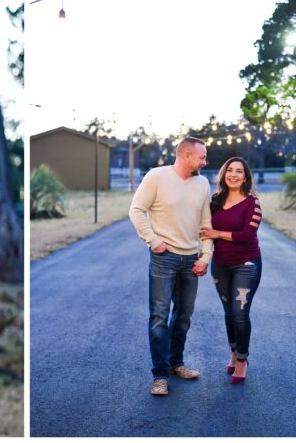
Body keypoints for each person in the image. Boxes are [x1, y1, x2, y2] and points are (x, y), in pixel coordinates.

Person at [129, 137, 214, 396]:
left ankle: (177, 363)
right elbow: (136, 210)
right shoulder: (156, 176)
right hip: (164, 258)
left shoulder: (202, 183)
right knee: (159, 318)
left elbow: (205, 223)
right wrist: (153, 241)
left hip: (191, 260)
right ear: (186, 155)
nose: (205, 161)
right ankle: (160, 376)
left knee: (183, 317)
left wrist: (205, 256)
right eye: (202, 157)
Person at [199, 157, 262, 384]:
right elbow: (202, 226)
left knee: (240, 313)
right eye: (230, 170)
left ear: (245, 177)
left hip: (246, 264)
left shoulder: (252, 203)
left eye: (239, 171)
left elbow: (247, 236)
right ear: (224, 174)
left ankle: (243, 360)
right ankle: (234, 352)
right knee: (228, 312)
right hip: (221, 265)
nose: (233, 175)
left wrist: (218, 234)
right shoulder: (215, 200)